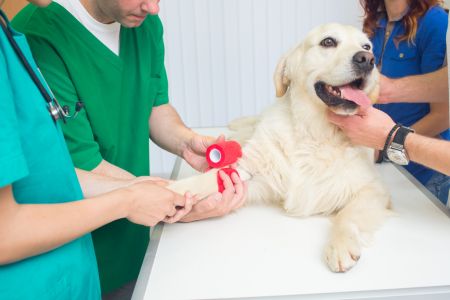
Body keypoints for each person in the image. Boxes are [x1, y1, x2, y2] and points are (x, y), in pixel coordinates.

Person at [11, 0, 247, 297]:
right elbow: (81, 167)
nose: (152, 8)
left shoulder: (141, 20)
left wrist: (186, 141)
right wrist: (176, 201)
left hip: (134, 241)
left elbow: (154, 106)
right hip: (81, 253)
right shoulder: (39, 36)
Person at [360, 0, 449, 198]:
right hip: (385, 164)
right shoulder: (376, 23)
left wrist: (385, 146)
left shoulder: (435, 22)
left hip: (424, 171)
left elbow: (443, 116)